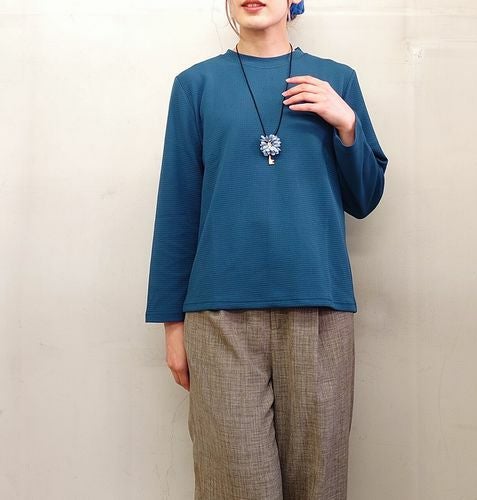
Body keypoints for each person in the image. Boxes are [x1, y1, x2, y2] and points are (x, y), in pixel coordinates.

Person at [145, 1, 388, 498]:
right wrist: (172, 326)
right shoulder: (195, 85)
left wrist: (347, 126)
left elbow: (365, 198)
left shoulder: (336, 80)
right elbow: (178, 206)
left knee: (318, 484)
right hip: (220, 319)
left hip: (319, 311)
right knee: (235, 485)